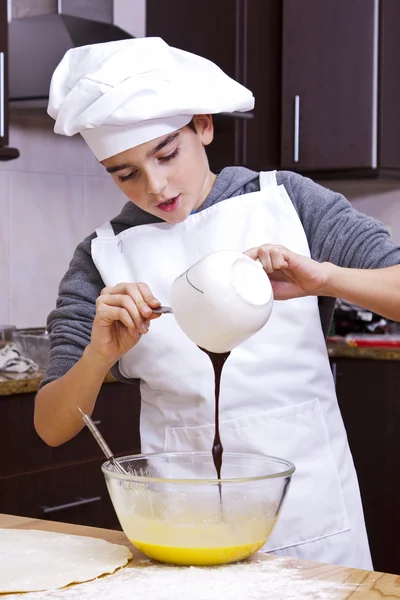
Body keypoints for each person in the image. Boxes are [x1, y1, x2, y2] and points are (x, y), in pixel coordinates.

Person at [34, 37, 400, 570]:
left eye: (166, 154)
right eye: (125, 173)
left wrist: (325, 278)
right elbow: (51, 426)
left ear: (203, 126)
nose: (155, 185)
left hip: (314, 524)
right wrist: (98, 355)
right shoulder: (102, 257)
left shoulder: (286, 201)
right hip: (178, 531)